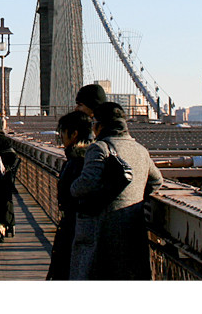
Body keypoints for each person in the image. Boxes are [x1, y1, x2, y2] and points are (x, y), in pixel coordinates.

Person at [69, 102, 163, 280]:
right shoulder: (141, 150)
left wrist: (72, 187)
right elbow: (157, 181)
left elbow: (86, 183)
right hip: (133, 230)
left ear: (100, 125)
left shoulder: (99, 148)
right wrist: (135, 198)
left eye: (93, 123)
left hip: (100, 231)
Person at [45, 110, 93, 280]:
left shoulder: (77, 163)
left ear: (74, 134)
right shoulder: (87, 160)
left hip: (74, 231)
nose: (61, 137)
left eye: (63, 133)